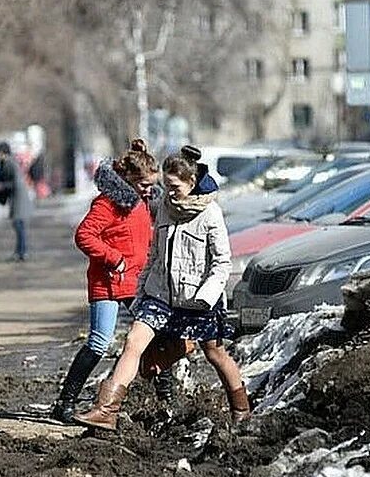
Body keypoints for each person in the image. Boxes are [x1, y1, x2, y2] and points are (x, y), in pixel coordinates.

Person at [74, 145, 251, 431]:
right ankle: (106, 409)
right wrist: (143, 288)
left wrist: (205, 297)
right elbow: (154, 254)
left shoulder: (211, 214)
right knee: (133, 342)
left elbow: (221, 263)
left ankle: (241, 413)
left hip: (198, 298)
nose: (167, 192)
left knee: (215, 353)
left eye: (174, 186)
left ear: (191, 183)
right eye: (164, 185)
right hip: (161, 296)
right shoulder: (165, 208)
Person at [50, 139, 159, 423]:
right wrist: (114, 259)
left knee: (153, 335)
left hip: (136, 280)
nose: (149, 190)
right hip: (108, 281)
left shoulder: (144, 202)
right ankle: (66, 402)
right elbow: (84, 235)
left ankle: (165, 398)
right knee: (99, 342)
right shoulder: (110, 203)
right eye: (144, 184)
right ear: (128, 179)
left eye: (151, 185)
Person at [0, 141, 32, 260]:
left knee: (19, 226)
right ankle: (20, 251)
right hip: (17, 198)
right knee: (18, 226)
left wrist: (1, 186)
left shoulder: (9, 164)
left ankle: (21, 252)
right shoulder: (10, 163)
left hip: (18, 200)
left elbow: (14, 183)